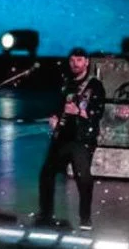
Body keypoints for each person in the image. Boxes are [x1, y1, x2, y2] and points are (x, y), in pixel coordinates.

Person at [37, 47, 105, 230]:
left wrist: (80, 111)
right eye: (72, 61)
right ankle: (46, 214)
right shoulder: (66, 84)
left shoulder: (94, 85)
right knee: (46, 174)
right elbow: (58, 106)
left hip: (81, 139)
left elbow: (98, 112)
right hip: (63, 137)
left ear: (86, 62)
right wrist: (54, 118)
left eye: (79, 60)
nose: (75, 64)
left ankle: (85, 219)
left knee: (83, 179)